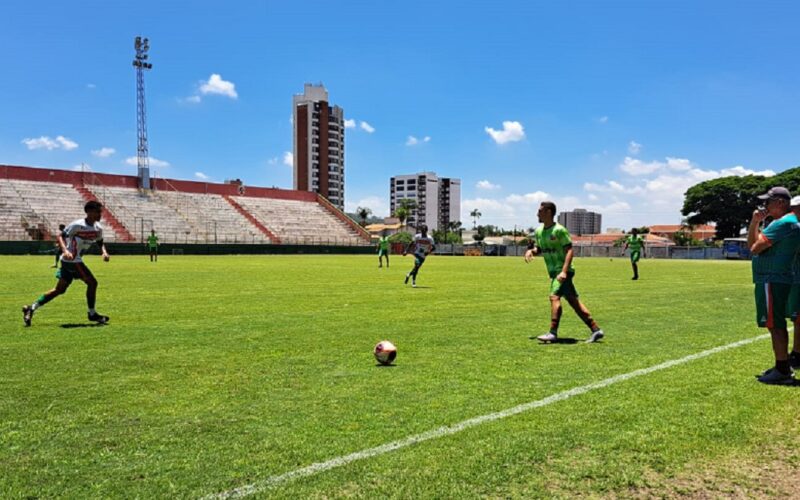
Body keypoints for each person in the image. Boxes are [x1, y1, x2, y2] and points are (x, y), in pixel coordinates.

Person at [525, 201, 604, 343]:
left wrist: (564, 272)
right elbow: (541, 249)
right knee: (574, 302)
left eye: (540, 210)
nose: (537, 213)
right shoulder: (539, 232)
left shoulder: (560, 230)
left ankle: (553, 333)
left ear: (548, 212)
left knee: (554, 296)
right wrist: (531, 251)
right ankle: (596, 329)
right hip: (554, 272)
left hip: (562, 272)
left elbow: (569, 250)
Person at [22, 200, 111, 327]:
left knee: (59, 289)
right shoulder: (77, 225)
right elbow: (60, 236)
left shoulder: (98, 229)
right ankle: (92, 314)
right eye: (97, 212)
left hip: (70, 261)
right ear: (89, 212)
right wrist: (65, 250)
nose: (100, 214)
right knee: (92, 283)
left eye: (100, 212)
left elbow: (100, 241)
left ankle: (31, 308)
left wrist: (104, 252)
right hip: (72, 260)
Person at [748, 187, 800, 385]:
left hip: (771, 278)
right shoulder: (790, 223)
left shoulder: (783, 224)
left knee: (775, 324)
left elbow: (754, 248)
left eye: (768, 202)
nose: (765, 206)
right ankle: (782, 365)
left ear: (780, 203)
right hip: (779, 277)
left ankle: (782, 369)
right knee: (776, 322)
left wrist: (754, 222)